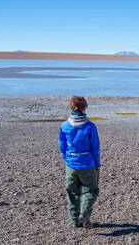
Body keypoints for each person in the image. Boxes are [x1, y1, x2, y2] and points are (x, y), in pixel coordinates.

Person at [58, 96, 101, 229]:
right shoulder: (90, 126)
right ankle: (85, 213)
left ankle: (75, 222)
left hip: (71, 164)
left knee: (72, 193)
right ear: (84, 107)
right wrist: (97, 163)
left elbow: (62, 146)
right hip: (87, 163)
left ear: (72, 107)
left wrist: (67, 159)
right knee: (91, 190)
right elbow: (95, 147)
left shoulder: (65, 125)